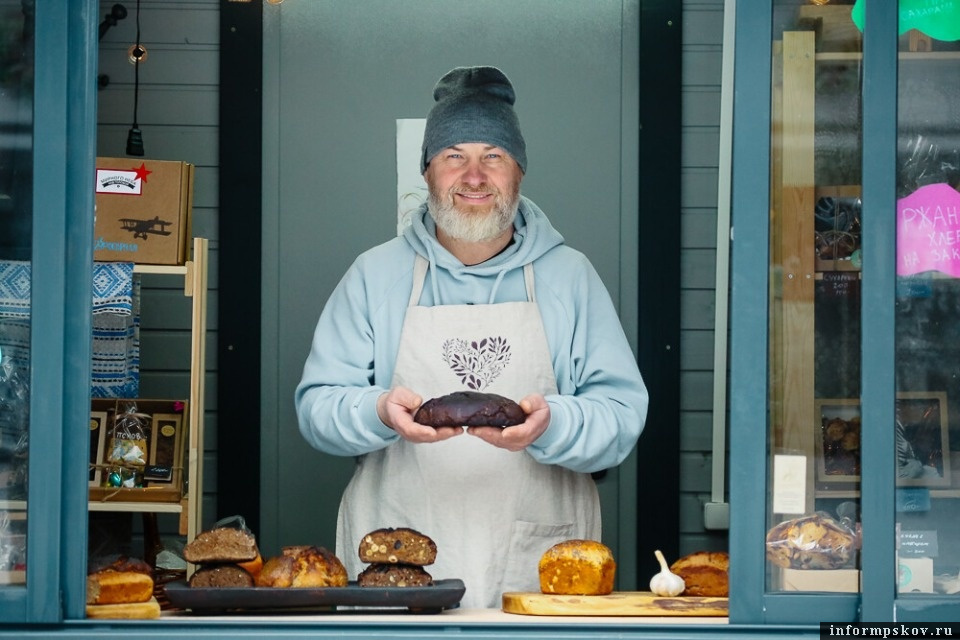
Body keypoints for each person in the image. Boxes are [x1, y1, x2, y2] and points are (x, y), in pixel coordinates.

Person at [295, 66, 648, 609]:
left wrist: (554, 422)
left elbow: (622, 415)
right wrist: (379, 412)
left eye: (494, 156)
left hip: (539, 558)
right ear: (429, 172)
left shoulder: (569, 276)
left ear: (519, 173)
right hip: (398, 558)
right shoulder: (374, 275)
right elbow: (317, 407)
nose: (474, 176)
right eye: (454, 155)